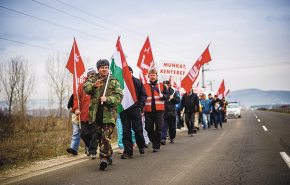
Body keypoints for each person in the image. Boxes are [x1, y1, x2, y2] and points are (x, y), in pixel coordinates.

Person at [83, 59, 123, 171]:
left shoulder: (113, 81)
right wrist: (94, 86)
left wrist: (108, 99)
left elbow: (119, 97)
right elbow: (85, 88)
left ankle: (104, 159)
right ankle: (108, 152)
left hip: (109, 114)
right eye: (102, 67)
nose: (104, 69)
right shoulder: (93, 79)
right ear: (98, 69)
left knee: (106, 135)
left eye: (106, 67)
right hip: (95, 114)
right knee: (99, 137)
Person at [120, 66, 148, 159]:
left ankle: (141, 145)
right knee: (126, 131)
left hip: (136, 109)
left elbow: (144, 95)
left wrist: (140, 106)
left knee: (137, 129)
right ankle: (128, 152)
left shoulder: (137, 82)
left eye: (129, 73)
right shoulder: (120, 82)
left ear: (132, 73)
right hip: (124, 110)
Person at [144, 69, 169, 152]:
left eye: (154, 75)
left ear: (157, 76)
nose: (152, 76)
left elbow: (168, 95)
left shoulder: (162, 85)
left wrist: (163, 96)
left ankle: (156, 146)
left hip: (159, 111)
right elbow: (142, 98)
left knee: (159, 128)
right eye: (151, 75)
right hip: (148, 111)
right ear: (148, 76)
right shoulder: (144, 86)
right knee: (148, 128)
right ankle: (154, 141)